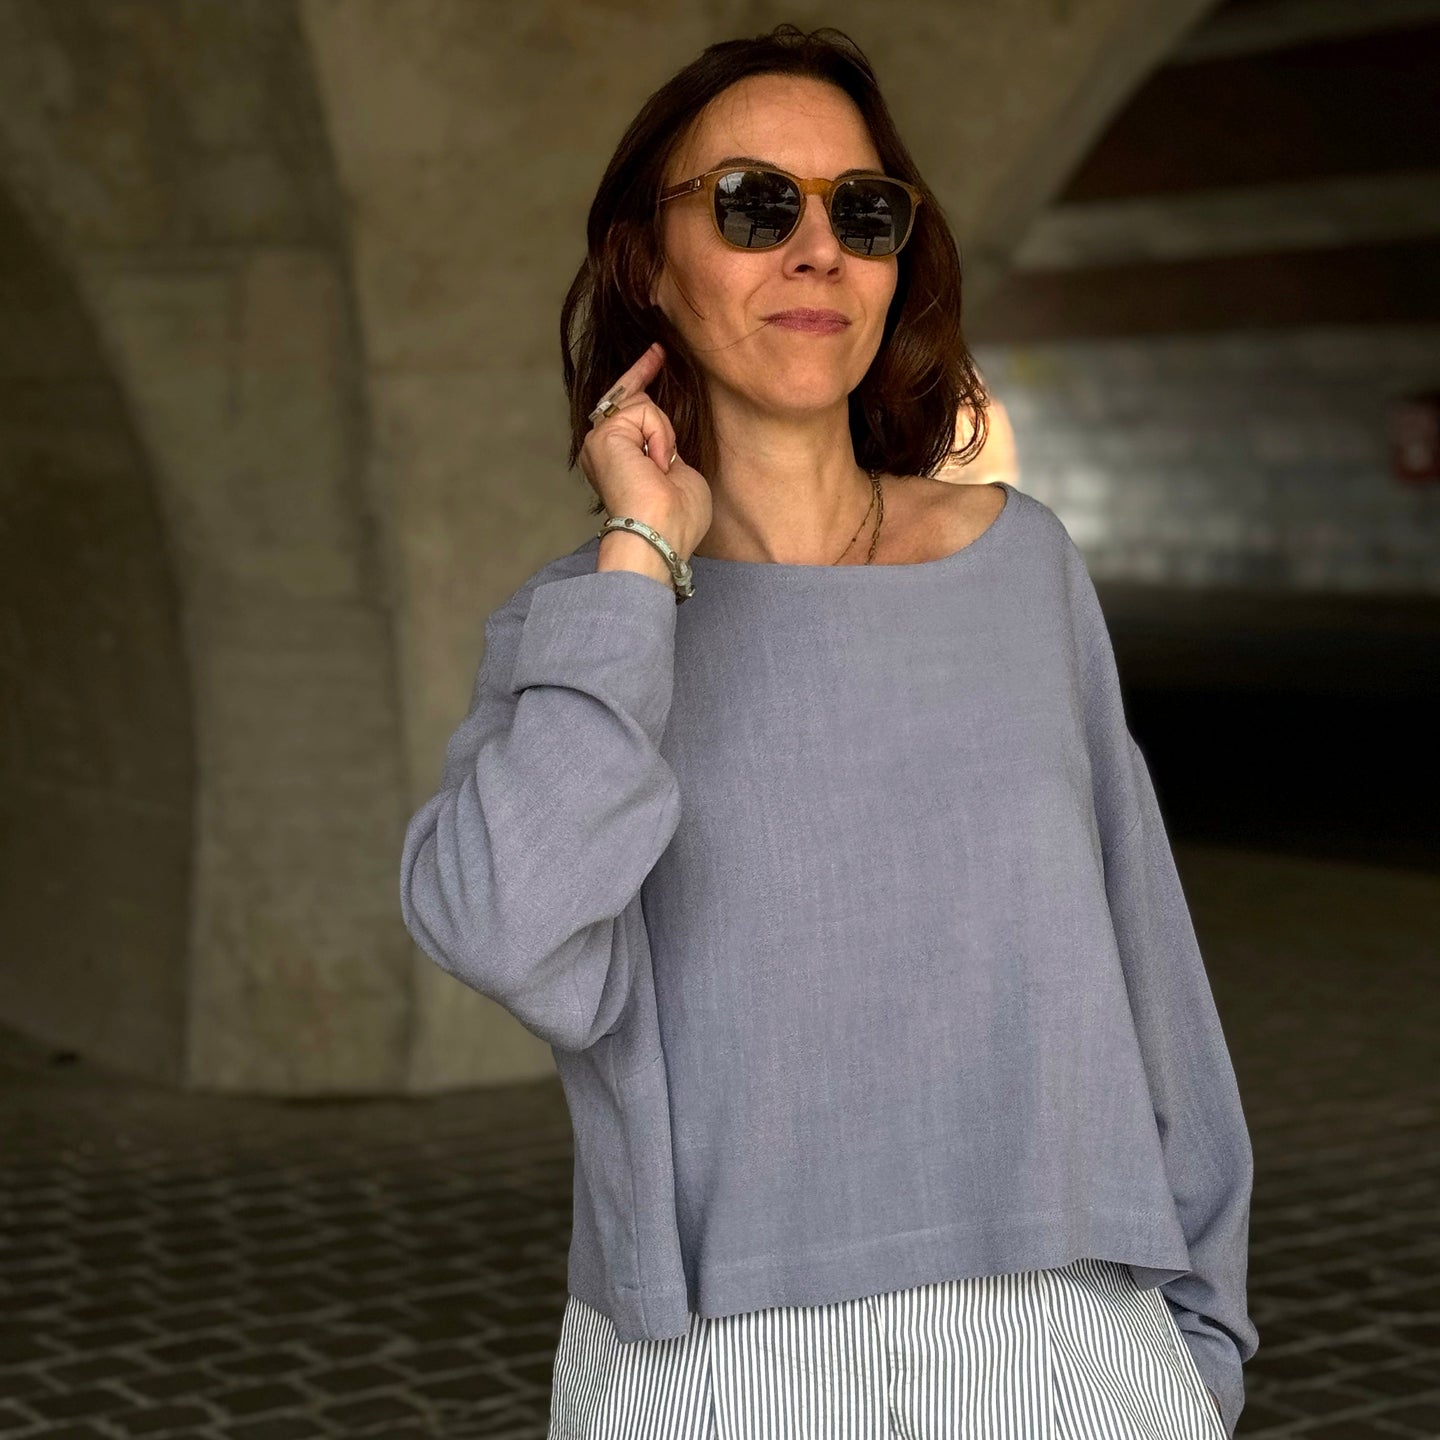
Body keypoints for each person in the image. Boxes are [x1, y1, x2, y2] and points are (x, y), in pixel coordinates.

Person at [398, 23, 1258, 1440]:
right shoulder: (590, 627)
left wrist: (1200, 1338)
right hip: (714, 1362)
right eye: (752, 204)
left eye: (863, 213)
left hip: (1058, 1342)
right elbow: (500, 925)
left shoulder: (1020, 568)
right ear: (647, 260)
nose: (817, 252)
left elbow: (1148, 955)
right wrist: (636, 557)